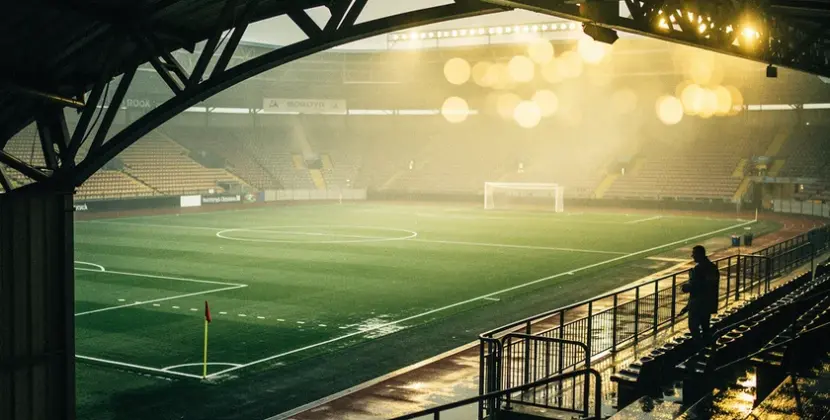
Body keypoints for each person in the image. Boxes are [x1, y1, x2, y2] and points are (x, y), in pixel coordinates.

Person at [681, 245, 720, 340]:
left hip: (698, 305)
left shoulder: (698, 269)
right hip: (708, 304)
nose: (692, 256)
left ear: (699, 254)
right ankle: (707, 345)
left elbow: (697, 287)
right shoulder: (712, 267)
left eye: (694, 254)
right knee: (705, 327)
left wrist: (686, 287)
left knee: (693, 327)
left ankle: (699, 346)